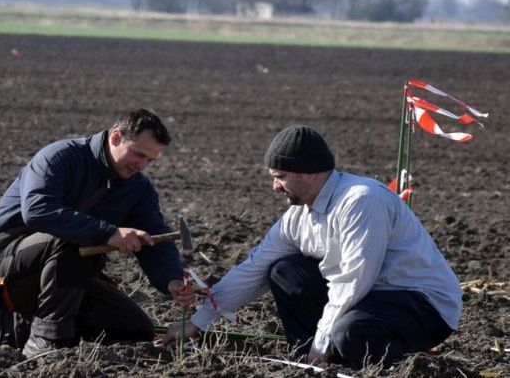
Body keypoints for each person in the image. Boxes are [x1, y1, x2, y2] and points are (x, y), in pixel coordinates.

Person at [163, 125, 461, 368]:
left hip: (421, 303)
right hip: (370, 298)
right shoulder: (298, 216)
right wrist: (197, 323)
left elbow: (355, 279)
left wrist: (323, 337)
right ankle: (313, 363)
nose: (275, 187)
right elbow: (254, 268)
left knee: (350, 332)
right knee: (283, 270)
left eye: (280, 177)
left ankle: (392, 367)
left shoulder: (361, 200)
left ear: (308, 172)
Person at [0, 108, 193, 358]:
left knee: (135, 329)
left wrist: (171, 280)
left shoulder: (137, 188)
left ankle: (27, 324)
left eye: (150, 160)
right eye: (138, 154)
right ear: (115, 137)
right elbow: (38, 210)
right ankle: (45, 339)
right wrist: (108, 233)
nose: (142, 165)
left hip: (64, 275)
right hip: (1, 271)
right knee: (75, 240)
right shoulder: (60, 157)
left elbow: (154, 234)